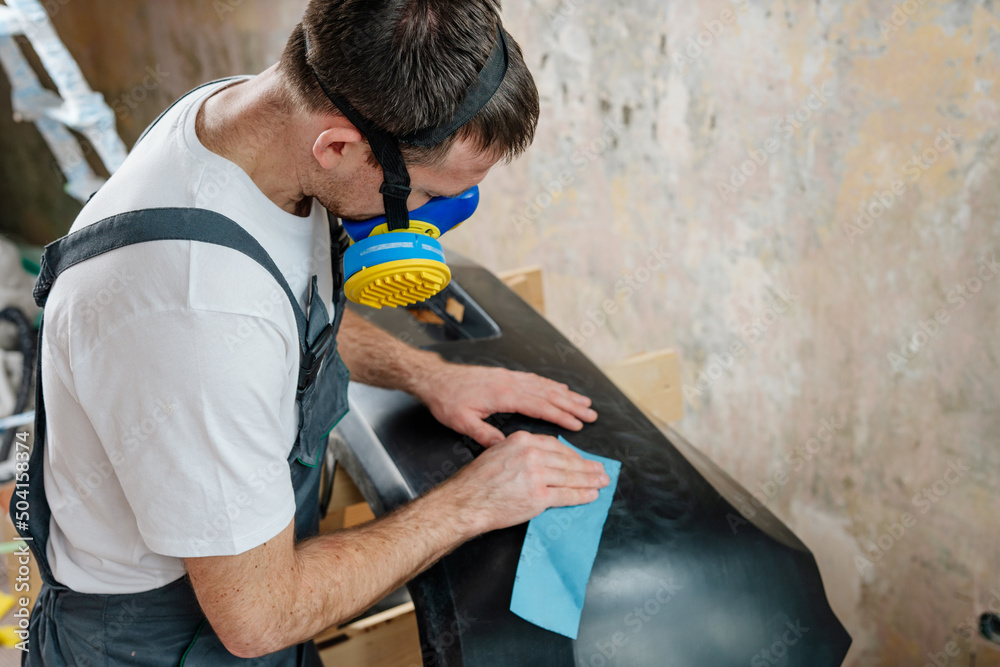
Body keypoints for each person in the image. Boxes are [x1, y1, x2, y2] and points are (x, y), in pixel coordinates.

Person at [15, 0, 610, 664]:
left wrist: (431, 375)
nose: (432, 219)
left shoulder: (247, 120)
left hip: (243, 575)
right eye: (427, 196)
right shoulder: (195, 310)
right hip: (168, 640)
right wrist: (471, 503)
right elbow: (259, 616)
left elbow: (286, 320)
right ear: (337, 146)